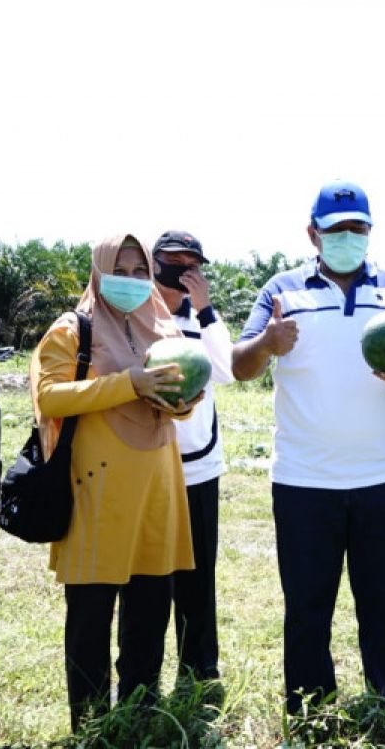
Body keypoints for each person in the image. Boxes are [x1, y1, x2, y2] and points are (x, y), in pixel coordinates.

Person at [231, 180, 385, 714]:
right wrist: (267, 343)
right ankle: (309, 710)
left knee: (384, 605)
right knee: (306, 606)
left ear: (370, 231)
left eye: (358, 228)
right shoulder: (282, 291)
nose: (349, 236)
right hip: (304, 481)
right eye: (337, 228)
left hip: (383, 477)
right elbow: (240, 365)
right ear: (312, 233)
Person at [31, 233, 202, 730]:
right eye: (119, 270)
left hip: (157, 483)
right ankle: (90, 722)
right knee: (91, 614)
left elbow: (181, 393)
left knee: (151, 609)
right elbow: (51, 398)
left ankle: (140, 711)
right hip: (97, 488)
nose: (130, 281)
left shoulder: (162, 326)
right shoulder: (72, 329)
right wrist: (129, 383)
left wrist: (181, 401)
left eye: (139, 271)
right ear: (99, 271)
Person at [151, 229, 235, 681]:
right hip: (144, 463)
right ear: (153, 262)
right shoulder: (137, 317)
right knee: (148, 577)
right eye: (171, 259)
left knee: (199, 573)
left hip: (198, 465)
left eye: (191, 262)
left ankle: (200, 664)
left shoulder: (202, 322)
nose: (180, 268)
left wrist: (205, 309)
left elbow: (227, 370)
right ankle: (143, 670)